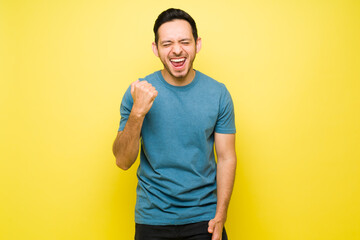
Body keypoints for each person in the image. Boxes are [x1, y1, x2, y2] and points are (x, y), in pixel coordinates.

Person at [113, 8, 237, 240]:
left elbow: (227, 157)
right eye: (167, 43)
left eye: (184, 42)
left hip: (205, 219)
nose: (177, 50)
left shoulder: (218, 93)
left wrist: (221, 216)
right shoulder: (137, 92)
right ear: (156, 49)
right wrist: (137, 113)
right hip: (152, 220)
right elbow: (122, 161)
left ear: (197, 44)